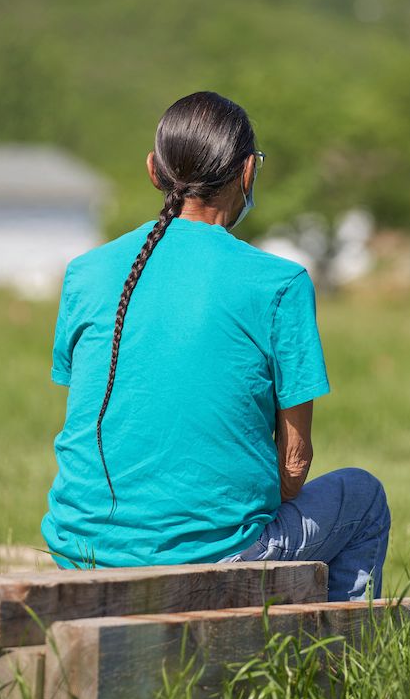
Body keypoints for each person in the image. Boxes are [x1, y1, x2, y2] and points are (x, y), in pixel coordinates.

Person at [41, 91, 390, 601]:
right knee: (362, 497)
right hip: (213, 558)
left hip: (78, 551)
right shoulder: (280, 283)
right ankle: (333, 664)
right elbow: (293, 466)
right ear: (248, 172)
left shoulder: (85, 273)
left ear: (152, 171)